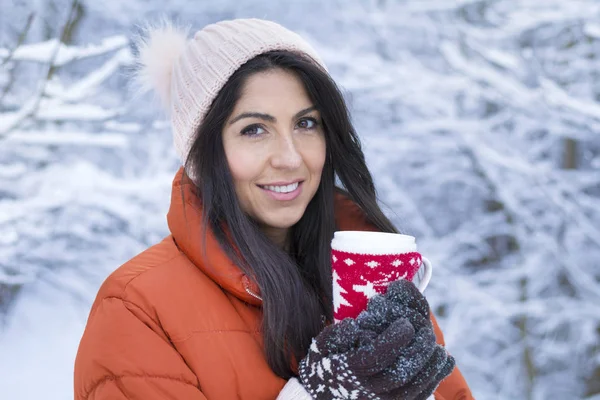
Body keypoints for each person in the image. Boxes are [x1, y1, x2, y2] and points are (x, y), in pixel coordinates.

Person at [74, 18, 474, 400]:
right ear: (203, 153)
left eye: (306, 124)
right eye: (254, 129)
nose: (289, 157)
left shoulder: (374, 286)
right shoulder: (137, 308)